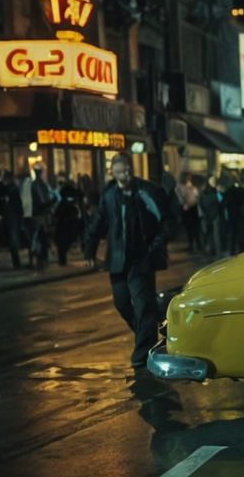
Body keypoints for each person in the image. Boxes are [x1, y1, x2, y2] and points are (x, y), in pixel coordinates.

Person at [84, 155, 167, 371]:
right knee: (121, 302)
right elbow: (99, 222)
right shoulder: (110, 195)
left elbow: (164, 220)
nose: (126, 175)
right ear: (113, 173)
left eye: (128, 171)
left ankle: (142, 354)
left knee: (143, 305)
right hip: (118, 260)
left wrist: (154, 246)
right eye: (121, 172)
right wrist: (90, 250)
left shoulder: (145, 191)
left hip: (141, 258)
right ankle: (147, 332)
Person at [20, 163, 54, 270]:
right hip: (39, 215)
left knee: (34, 239)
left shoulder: (31, 184)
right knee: (40, 238)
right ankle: (41, 260)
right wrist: (51, 202)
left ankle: (36, 260)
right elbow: (42, 201)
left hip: (32, 215)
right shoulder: (38, 185)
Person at [53, 172, 83, 265]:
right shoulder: (68, 203)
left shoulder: (65, 202)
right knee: (64, 242)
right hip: (66, 225)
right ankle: (62, 259)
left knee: (63, 243)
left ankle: (62, 259)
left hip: (64, 225)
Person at [222, 172, 244, 254]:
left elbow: (224, 203)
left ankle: (232, 250)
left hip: (232, 214)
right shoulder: (241, 189)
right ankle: (242, 248)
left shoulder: (228, 191)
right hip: (240, 214)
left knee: (233, 233)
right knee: (241, 232)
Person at [198, 174, 223, 256]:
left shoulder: (203, 193)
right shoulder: (215, 192)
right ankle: (216, 252)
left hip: (207, 215)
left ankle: (211, 251)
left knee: (209, 234)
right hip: (214, 215)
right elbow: (220, 201)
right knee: (215, 234)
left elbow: (201, 204)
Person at [178, 173, 201, 253]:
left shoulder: (192, 188)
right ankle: (194, 245)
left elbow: (195, 198)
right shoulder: (184, 188)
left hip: (192, 209)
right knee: (191, 229)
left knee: (193, 229)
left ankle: (196, 245)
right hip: (189, 210)